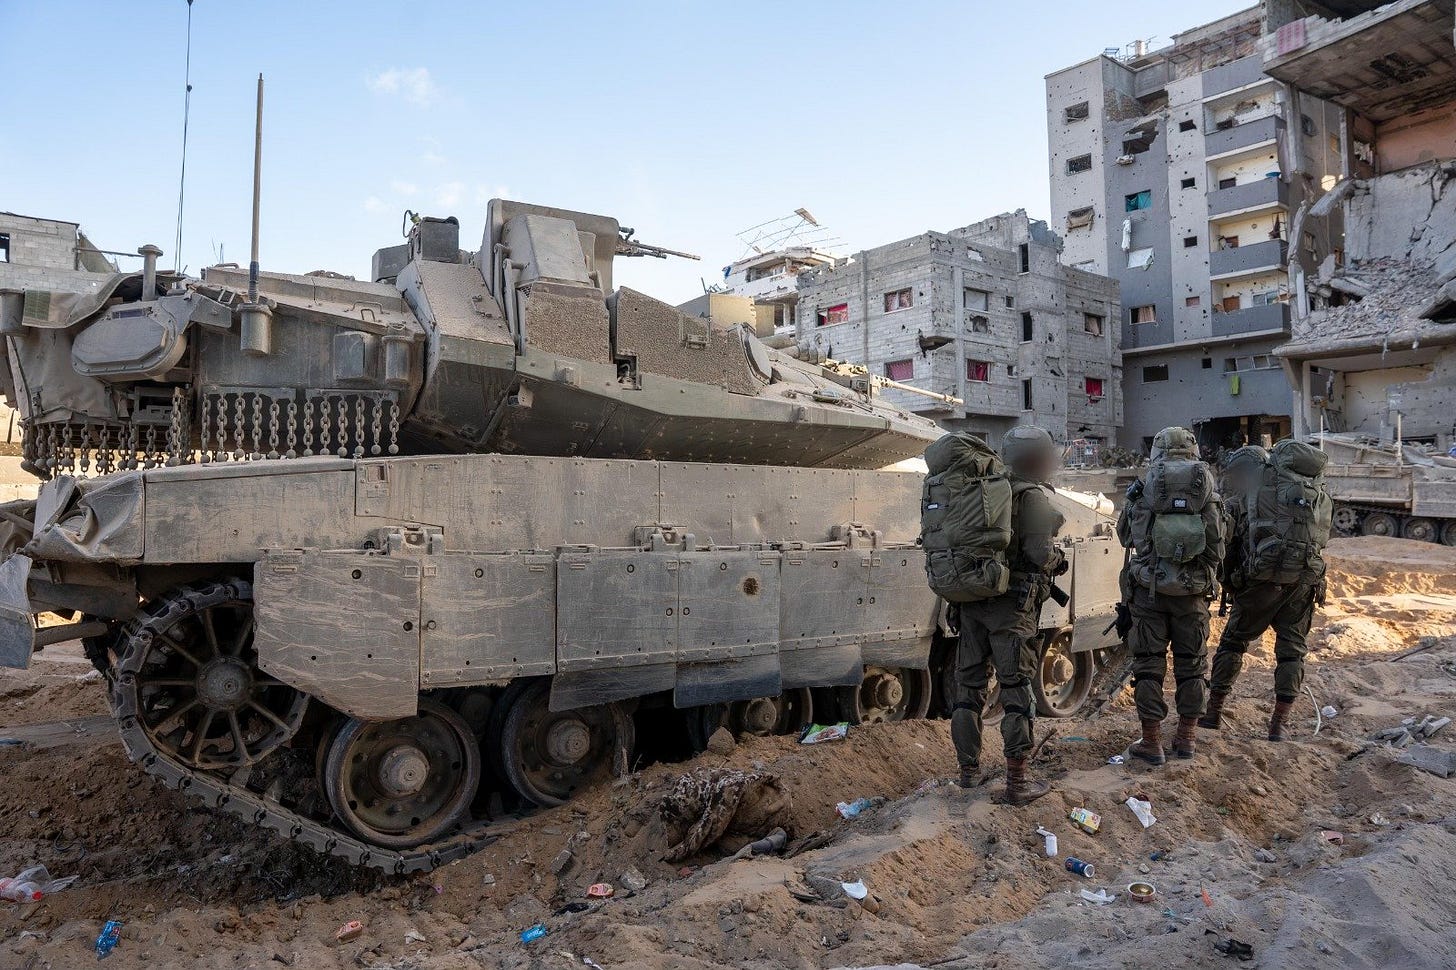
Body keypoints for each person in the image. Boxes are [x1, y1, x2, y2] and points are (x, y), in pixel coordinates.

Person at [951, 426, 1067, 804]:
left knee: (968, 692)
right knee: (1016, 691)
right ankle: (1017, 783)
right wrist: (1059, 560)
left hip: (971, 603)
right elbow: (1039, 554)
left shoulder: (980, 489)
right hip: (1012, 610)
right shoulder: (1031, 497)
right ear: (1035, 459)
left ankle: (968, 773)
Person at [1201, 439, 1332, 740]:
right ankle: (1278, 727)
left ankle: (1213, 714)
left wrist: (1230, 583)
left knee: (1233, 644)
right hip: (1302, 583)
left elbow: (1228, 550)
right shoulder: (1313, 493)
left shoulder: (1244, 500)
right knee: (1291, 653)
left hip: (1259, 586)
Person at [1116, 426, 1224, 764]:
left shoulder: (1145, 488)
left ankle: (1151, 744)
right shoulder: (1205, 490)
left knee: (1148, 667)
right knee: (1192, 667)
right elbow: (1218, 546)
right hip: (1192, 594)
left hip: (1148, 591)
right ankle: (1186, 738)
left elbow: (1124, 538)